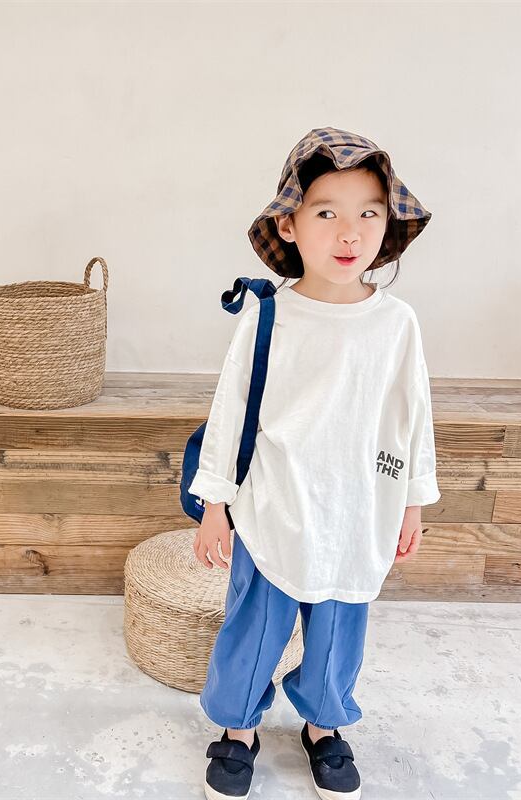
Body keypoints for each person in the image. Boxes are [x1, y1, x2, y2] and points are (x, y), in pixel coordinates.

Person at [188, 127, 440, 800]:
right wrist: (215, 504)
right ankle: (238, 730)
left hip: (358, 508)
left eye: (369, 213)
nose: (349, 232)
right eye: (326, 211)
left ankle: (324, 725)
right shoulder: (268, 315)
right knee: (254, 627)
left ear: (387, 226)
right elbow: (231, 411)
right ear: (290, 225)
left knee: (338, 630)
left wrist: (412, 502)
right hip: (273, 502)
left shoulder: (396, 324)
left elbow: (411, 417)